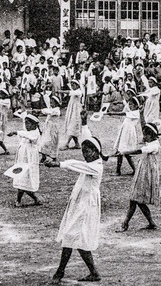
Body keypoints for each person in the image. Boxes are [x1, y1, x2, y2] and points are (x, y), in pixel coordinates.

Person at [52, 121, 104, 283]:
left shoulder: (96, 167)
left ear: (95, 152)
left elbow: (77, 165)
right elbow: (85, 139)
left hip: (87, 208)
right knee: (76, 239)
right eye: (83, 151)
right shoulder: (90, 164)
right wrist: (84, 124)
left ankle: (60, 272)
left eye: (87, 151)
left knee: (73, 237)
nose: (84, 155)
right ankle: (93, 273)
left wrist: (60, 164)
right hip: (79, 206)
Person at [115, 122, 160, 232]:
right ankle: (151, 223)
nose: (143, 137)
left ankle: (125, 224)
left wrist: (124, 152)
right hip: (143, 173)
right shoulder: (151, 143)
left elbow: (139, 151)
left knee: (135, 199)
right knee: (137, 200)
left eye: (145, 135)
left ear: (151, 135)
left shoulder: (154, 145)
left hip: (146, 175)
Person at [7, 113, 42, 207]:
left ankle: (21, 200)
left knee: (25, 179)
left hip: (30, 160)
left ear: (34, 125)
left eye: (28, 123)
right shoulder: (26, 133)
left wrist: (16, 132)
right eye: (25, 123)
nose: (26, 125)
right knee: (21, 179)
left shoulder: (35, 133)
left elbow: (29, 135)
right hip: (22, 160)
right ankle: (33, 199)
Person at [113, 96, 142, 175]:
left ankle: (120, 171)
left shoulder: (136, 113)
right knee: (122, 151)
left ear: (136, 105)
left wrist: (112, 113)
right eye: (129, 105)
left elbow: (123, 113)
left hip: (128, 134)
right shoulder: (131, 112)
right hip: (125, 133)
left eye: (131, 105)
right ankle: (119, 170)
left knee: (124, 152)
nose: (130, 106)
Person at [64, 79, 84, 150]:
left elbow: (70, 92)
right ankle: (77, 143)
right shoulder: (74, 92)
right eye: (71, 84)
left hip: (76, 112)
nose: (72, 86)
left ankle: (66, 144)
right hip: (72, 111)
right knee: (72, 127)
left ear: (78, 85)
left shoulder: (79, 91)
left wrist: (60, 91)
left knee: (72, 126)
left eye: (74, 84)